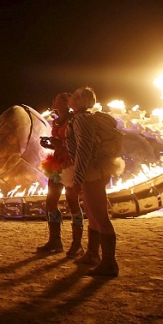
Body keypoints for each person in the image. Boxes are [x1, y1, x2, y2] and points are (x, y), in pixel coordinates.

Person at [65, 86, 121, 277]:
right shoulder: (81, 118)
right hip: (90, 170)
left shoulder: (82, 119)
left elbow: (84, 148)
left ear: (80, 101)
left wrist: (78, 176)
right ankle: (92, 254)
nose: (70, 98)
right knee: (92, 212)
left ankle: (109, 263)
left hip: (91, 171)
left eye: (73, 96)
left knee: (99, 214)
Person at [37, 92, 84, 258]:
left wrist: (60, 143)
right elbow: (59, 145)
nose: (53, 102)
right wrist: (49, 144)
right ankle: (55, 240)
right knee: (51, 201)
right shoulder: (56, 122)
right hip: (56, 163)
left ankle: (77, 243)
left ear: (66, 103)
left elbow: (77, 143)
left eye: (57, 100)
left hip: (70, 163)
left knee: (72, 201)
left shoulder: (74, 120)